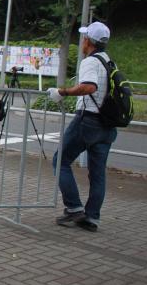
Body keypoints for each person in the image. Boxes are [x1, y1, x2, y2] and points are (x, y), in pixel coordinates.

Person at [48, 21, 117, 232]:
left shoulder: (90, 62)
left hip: (87, 120)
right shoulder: (109, 62)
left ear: (89, 41)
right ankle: (92, 218)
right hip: (107, 125)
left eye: (84, 37)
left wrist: (63, 92)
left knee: (60, 161)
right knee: (97, 173)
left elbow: (89, 86)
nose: (82, 41)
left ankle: (74, 208)